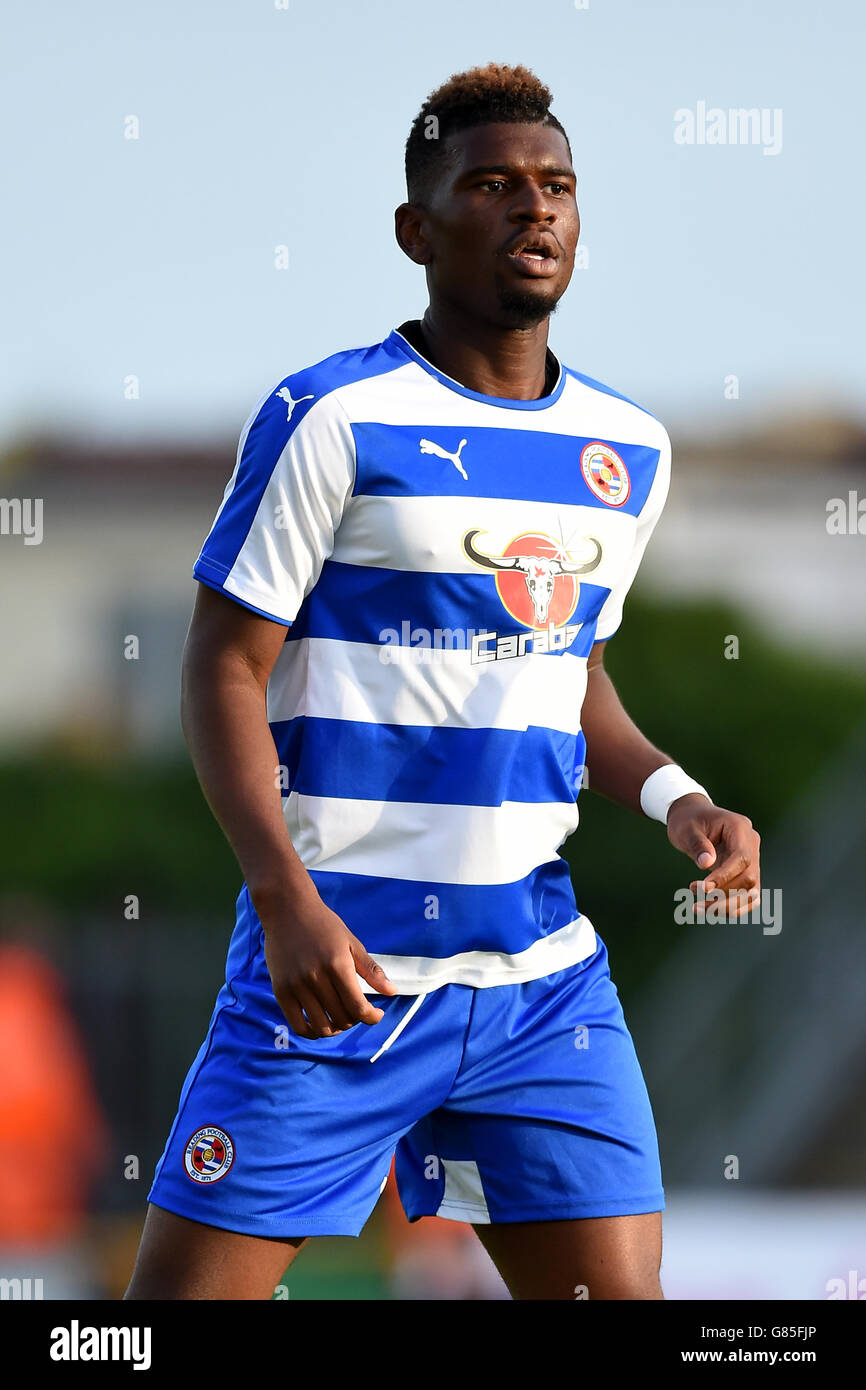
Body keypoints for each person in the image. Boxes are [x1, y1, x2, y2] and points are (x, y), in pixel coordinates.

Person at [125, 62, 760, 1301]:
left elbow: (564, 668)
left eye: (556, 186)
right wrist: (284, 899)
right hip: (338, 977)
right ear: (418, 229)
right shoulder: (332, 415)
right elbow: (221, 668)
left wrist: (674, 795)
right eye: (492, 186)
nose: (534, 211)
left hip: (538, 986)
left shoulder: (625, 449)